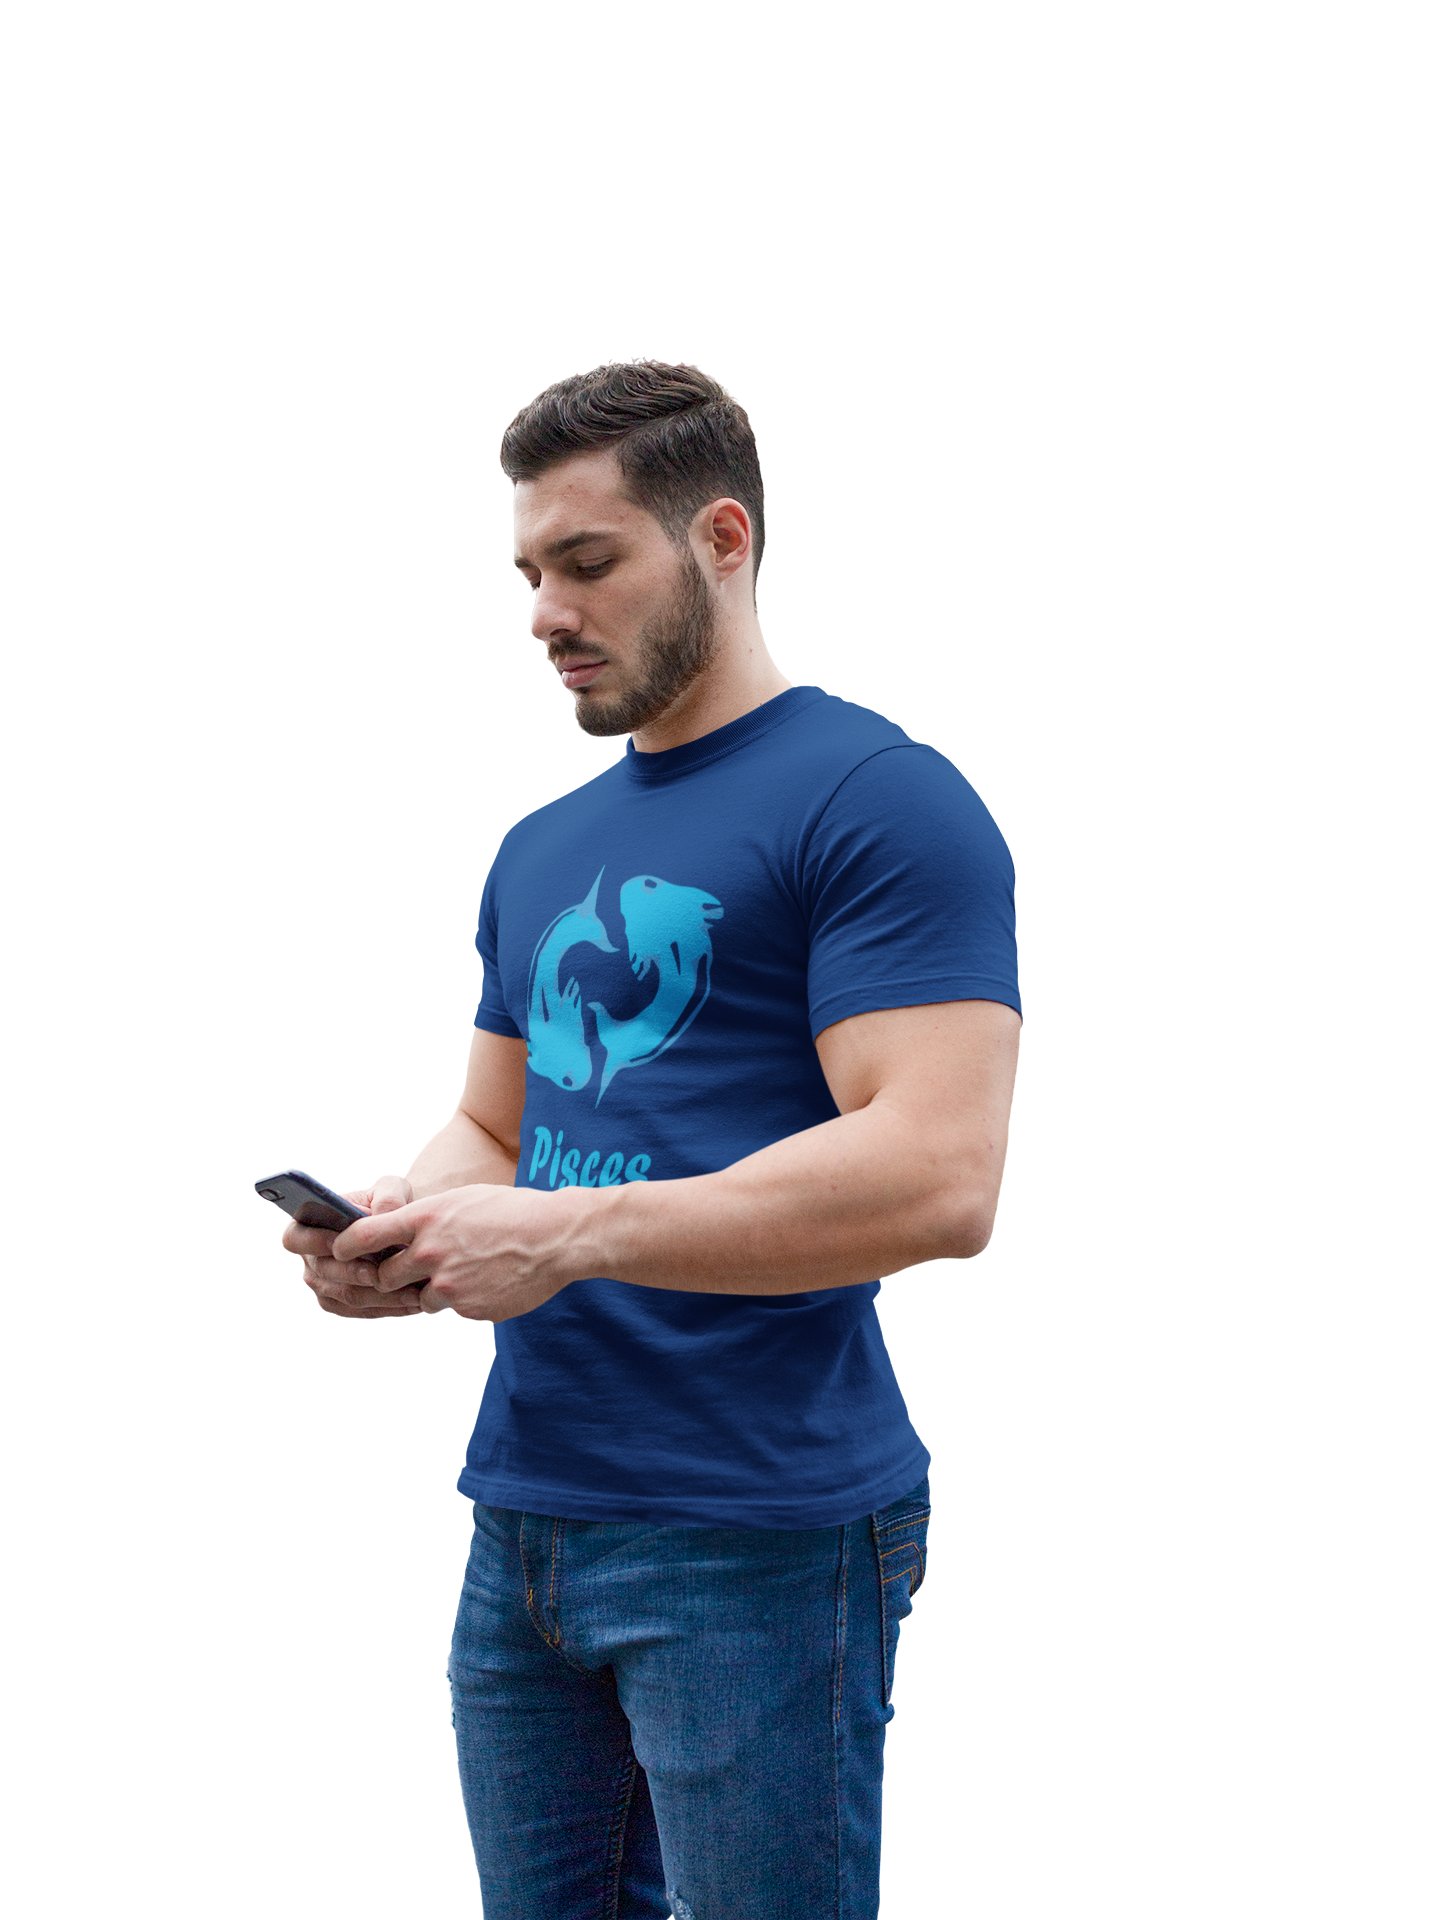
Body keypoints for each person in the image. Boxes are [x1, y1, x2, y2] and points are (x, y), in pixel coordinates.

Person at [282, 360, 1022, 1918]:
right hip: (528, 1518)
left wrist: (561, 1235)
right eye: (529, 574)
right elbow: (499, 1123)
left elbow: (939, 1175)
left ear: (722, 539)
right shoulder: (543, 847)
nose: (546, 612)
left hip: (757, 1531)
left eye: (589, 561)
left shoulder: (879, 801)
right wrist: (405, 1221)